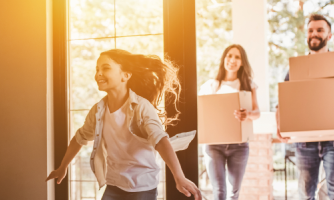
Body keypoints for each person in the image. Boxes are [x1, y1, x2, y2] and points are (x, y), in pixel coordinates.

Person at [46, 49, 202, 200]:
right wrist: (62, 167)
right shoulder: (98, 110)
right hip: (114, 184)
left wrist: (179, 177)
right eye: (97, 69)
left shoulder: (141, 106)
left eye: (105, 68)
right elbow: (79, 138)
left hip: (142, 186)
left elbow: (160, 140)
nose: (98, 73)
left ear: (125, 76)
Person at [276, 14, 334, 200]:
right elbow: (283, 102)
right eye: (310, 30)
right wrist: (279, 125)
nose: (314, 34)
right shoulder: (296, 68)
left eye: (319, 30)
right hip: (304, 143)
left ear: (329, 35)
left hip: (333, 140)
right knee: (305, 195)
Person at [199, 44, 260, 200]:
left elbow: (257, 113)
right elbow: (202, 112)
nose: (232, 60)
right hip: (214, 146)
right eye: (229, 56)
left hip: (239, 146)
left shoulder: (248, 84)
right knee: (219, 191)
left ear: (242, 62)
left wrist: (247, 115)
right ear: (224, 59)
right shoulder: (211, 86)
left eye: (237, 57)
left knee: (234, 192)